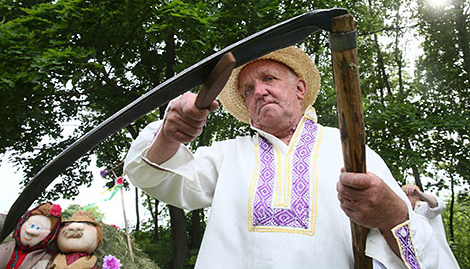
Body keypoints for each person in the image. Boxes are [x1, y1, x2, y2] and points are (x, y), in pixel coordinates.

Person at [125, 46, 443, 268]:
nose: (258, 91)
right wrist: (169, 134)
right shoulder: (227, 155)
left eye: (269, 79)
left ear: (300, 88)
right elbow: (153, 175)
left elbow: (425, 257)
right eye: (248, 90)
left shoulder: (351, 150)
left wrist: (392, 216)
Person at [402, 185, 460, 268]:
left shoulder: (424, 208)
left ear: (417, 198)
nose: (405, 198)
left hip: (441, 263)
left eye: (408, 195)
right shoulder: (406, 216)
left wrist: (419, 193)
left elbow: (439, 205)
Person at [0, 202, 62, 269]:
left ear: (51, 235)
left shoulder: (47, 260)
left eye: (39, 228)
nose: (31, 231)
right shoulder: (4, 248)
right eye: (31, 225)